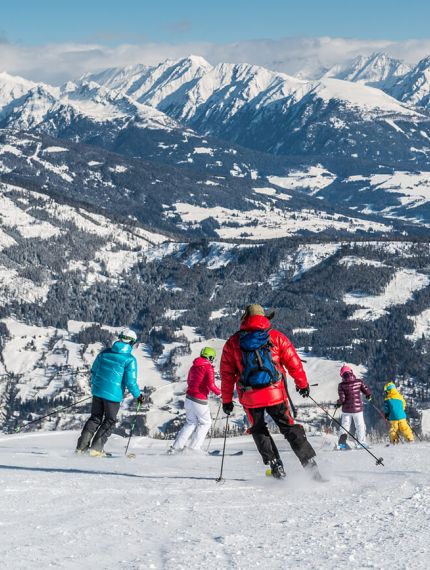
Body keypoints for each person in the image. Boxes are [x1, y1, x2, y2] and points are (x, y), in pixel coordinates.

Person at [220, 304, 321, 480]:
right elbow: (294, 363)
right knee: (289, 427)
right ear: (264, 318)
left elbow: (227, 375)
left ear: (244, 319)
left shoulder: (232, 343)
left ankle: (276, 467)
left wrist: (227, 401)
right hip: (275, 394)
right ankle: (311, 467)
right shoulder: (276, 337)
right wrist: (302, 384)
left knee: (259, 429)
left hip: (250, 396)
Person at [76, 328, 143, 456]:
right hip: (113, 396)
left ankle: (81, 448)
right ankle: (95, 449)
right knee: (109, 421)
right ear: (132, 343)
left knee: (95, 418)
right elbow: (130, 382)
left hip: (98, 391)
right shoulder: (130, 360)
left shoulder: (104, 353)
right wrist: (138, 396)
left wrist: (97, 385)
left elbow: (94, 370)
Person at [169, 347, 221, 453]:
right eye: (212, 358)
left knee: (190, 423)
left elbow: (189, 381)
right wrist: (220, 394)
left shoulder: (193, 367)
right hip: (199, 399)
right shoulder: (208, 367)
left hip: (189, 398)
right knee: (205, 423)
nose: (212, 360)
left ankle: (175, 448)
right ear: (210, 357)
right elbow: (211, 385)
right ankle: (194, 448)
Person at [336, 365, 372, 449]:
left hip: (346, 410)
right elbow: (365, 389)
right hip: (357, 409)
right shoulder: (359, 381)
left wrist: (338, 403)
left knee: (345, 426)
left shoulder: (341, 385)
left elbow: (342, 399)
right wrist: (368, 395)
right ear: (351, 372)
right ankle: (361, 443)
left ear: (341, 375)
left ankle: (342, 444)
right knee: (360, 425)